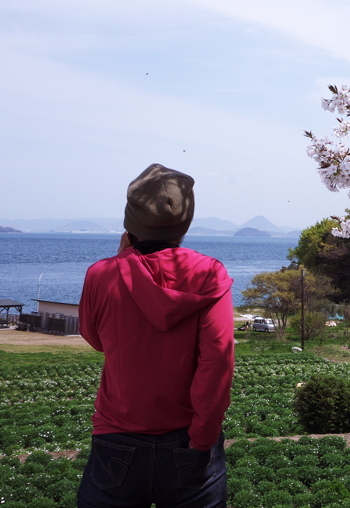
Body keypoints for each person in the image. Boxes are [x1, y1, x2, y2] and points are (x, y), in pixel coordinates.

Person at [77, 164, 234, 508]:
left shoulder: (101, 274)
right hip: (188, 439)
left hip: (116, 437)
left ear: (130, 223)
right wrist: (203, 437)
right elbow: (217, 360)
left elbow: (95, 338)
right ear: (185, 222)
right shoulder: (210, 274)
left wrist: (124, 261)